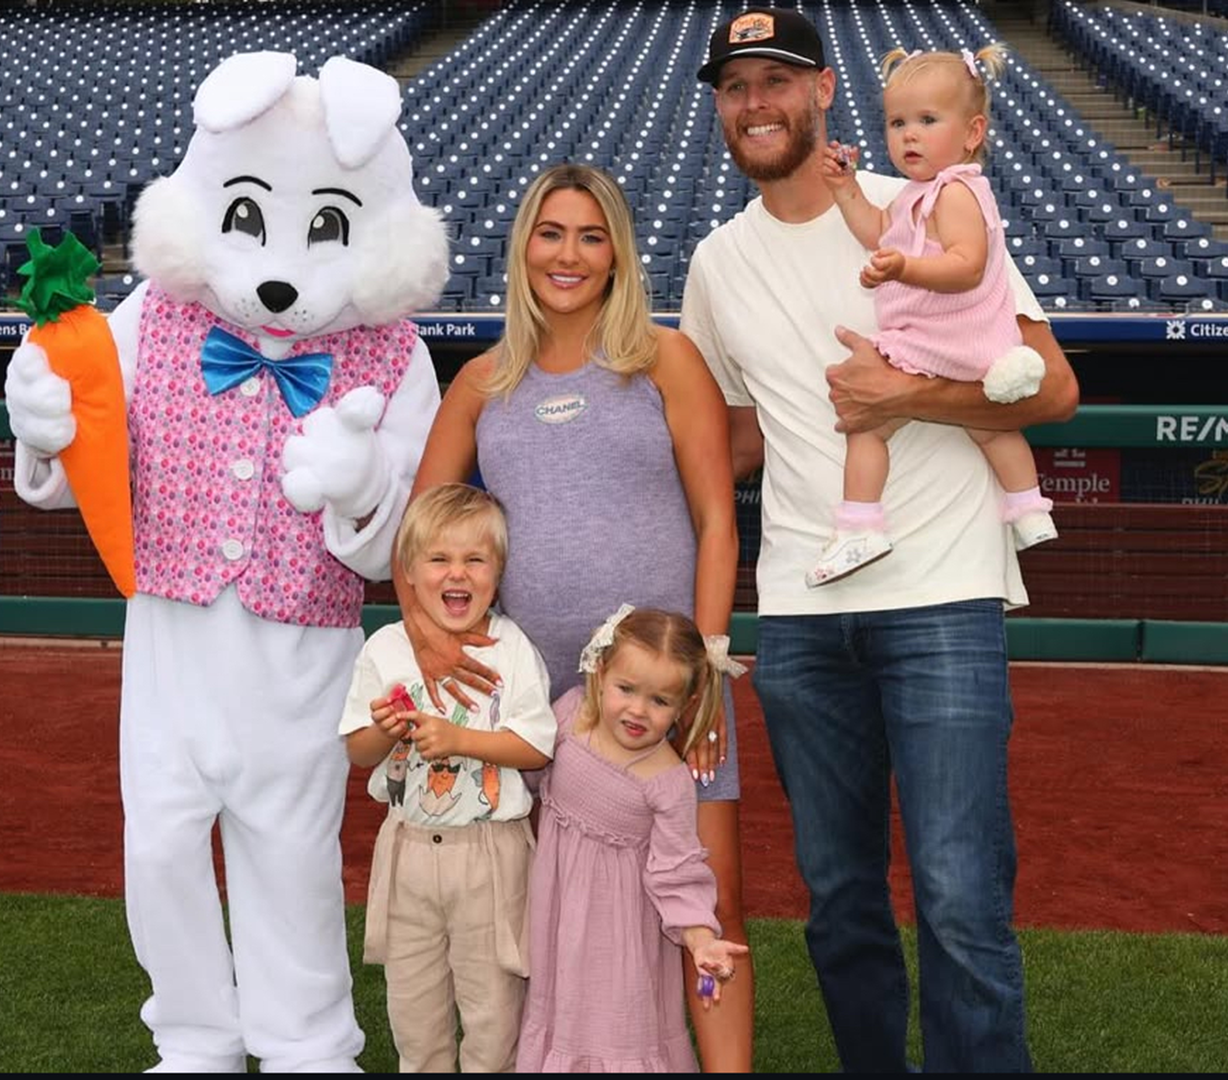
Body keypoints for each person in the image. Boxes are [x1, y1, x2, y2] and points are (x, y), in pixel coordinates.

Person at [682, 7, 1080, 1073]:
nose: (756, 102)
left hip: (941, 595)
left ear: (822, 93)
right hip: (806, 617)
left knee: (959, 899)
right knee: (842, 898)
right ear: (721, 110)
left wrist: (905, 391)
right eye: (735, 87)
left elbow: (1055, 387)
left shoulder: (930, 205)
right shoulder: (716, 264)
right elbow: (737, 441)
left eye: (777, 80)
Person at [400, 162, 755, 1070]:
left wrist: (705, 672)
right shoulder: (482, 380)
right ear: (523, 246)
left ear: (618, 254)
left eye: (591, 236)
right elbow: (420, 531)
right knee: (548, 911)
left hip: (668, 691)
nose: (569, 253)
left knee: (703, 898)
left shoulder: (665, 358)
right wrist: (437, 641)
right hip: (533, 701)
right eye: (551, 233)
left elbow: (718, 520)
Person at [810, 43, 1057, 585]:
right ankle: (1029, 508)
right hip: (967, 347)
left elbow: (966, 266)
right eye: (897, 122)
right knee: (988, 430)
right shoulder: (916, 196)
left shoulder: (956, 192)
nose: (909, 135)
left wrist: (903, 267)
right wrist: (846, 189)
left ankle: (860, 525)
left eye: (927, 120)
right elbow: (877, 231)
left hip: (945, 339)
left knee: (868, 426)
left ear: (972, 133)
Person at [339, 483, 557, 1073]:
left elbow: (537, 746)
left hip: (492, 856)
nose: (455, 573)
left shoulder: (511, 648)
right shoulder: (386, 649)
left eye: (474, 559)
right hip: (407, 850)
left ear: (498, 570)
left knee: (493, 1016)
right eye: (438, 558)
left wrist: (459, 739)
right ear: (409, 571)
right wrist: (386, 730)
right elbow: (359, 751)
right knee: (415, 1015)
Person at [517, 605, 750, 1072]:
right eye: (626, 689)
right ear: (600, 674)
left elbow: (679, 874)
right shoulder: (568, 718)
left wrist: (701, 942)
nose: (639, 710)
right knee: (560, 1018)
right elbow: (526, 769)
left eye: (660, 701)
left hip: (622, 941)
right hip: (558, 920)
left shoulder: (668, 782)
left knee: (616, 1034)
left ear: (684, 707)